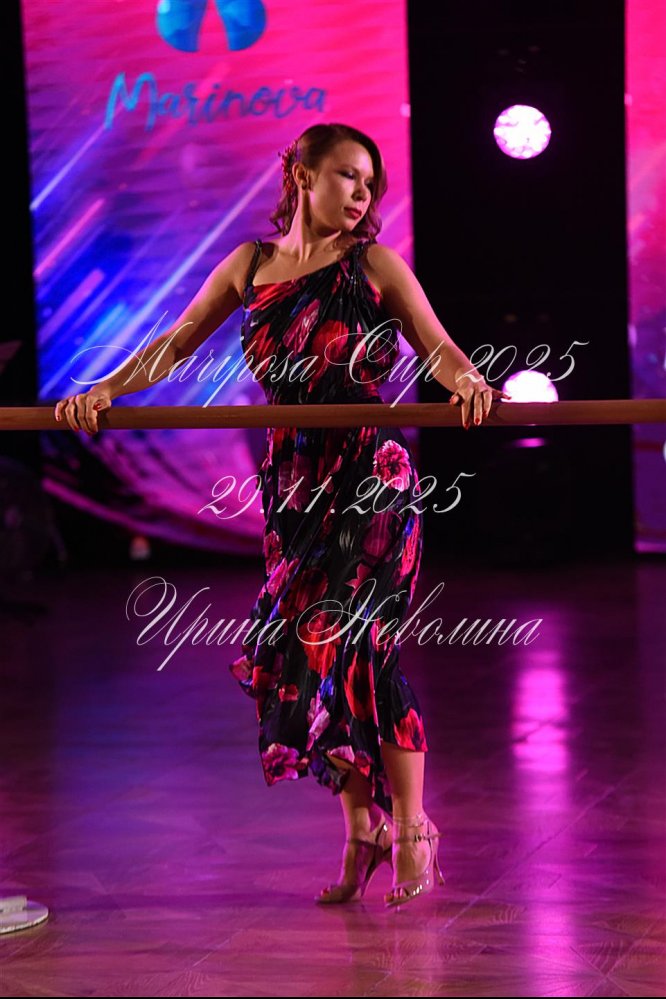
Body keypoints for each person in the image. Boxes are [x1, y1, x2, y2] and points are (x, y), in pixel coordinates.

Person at [54, 122, 509, 909]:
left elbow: (437, 346)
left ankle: (411, 825)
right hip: (294, 486)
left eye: (370, 181)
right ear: (300, 174)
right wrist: (105, 388)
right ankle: (361, 831)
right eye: (347, 174)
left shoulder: (375, 264)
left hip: (371, 476)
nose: (362, 192)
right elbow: (174, 343)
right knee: (306, 657)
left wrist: (467, 378)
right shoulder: (250, 265)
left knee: (361, 644)